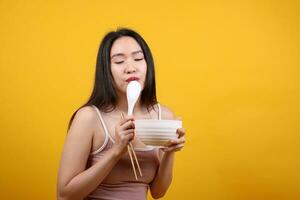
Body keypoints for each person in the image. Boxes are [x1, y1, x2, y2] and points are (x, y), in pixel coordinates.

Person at [57, 28, 186, 200]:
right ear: (106, 71)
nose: (131, 68)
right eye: (119, 62)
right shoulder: (89, 118)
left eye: (138, 59)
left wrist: (170, 152)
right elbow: (64, 195)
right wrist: (116, 151)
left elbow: (158, 192)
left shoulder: (164, 116)